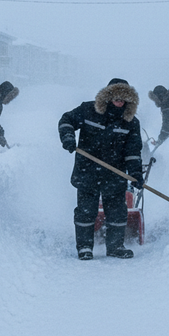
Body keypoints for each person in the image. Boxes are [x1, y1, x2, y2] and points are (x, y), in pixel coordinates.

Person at [58, 78, 144, 260]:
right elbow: (66, 120)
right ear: (108, 96)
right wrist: (67, 137)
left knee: (117, 212)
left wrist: (135, 173)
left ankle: (115, 247)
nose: (120, 103)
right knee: (86, 211)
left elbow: (133, 151)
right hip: (87, 171)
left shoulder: (130, 122)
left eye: (124, 100)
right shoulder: (88, 110)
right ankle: (84, 248)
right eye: (117, 98)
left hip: (115, 174)